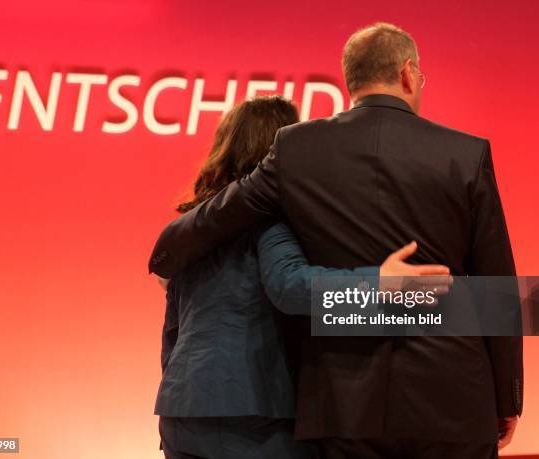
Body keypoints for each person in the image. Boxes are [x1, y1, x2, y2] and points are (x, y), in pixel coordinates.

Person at [149, 23, 523, 458]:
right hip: (456, 397)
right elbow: (497, 288)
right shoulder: (467, 153)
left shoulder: (296, 148)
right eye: (421, 78)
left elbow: (226, 210)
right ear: (407, 73)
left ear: (351, 81)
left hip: (346, 402)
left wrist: (168, 251)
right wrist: (506, 398)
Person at [153, 95, 451, 459]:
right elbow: (290, 287)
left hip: (180, 413)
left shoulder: (190, 229)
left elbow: (173, 332)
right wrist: (378, 283)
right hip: (254, 416)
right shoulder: (268, 220)